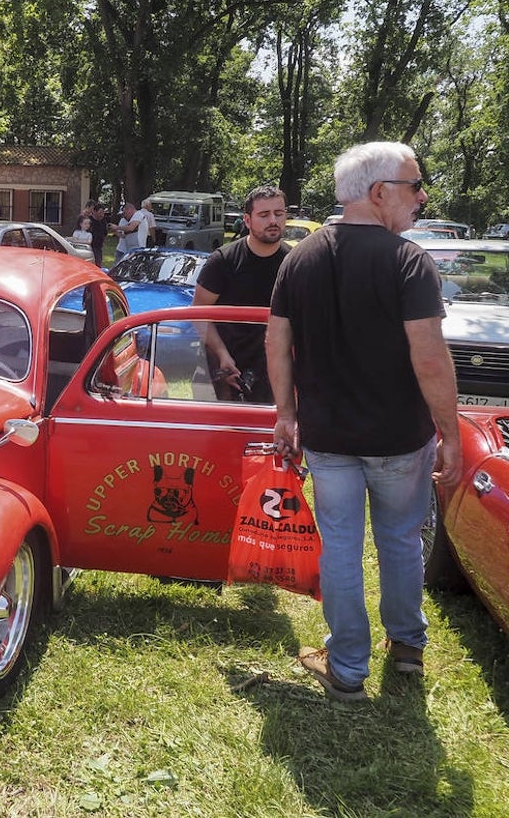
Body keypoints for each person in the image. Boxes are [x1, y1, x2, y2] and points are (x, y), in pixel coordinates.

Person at [266, 141, 461, 702]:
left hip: (328, 437)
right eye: (415, 185)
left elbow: (276, 341)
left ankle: (348, 669)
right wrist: (449, 431)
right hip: (400, 438)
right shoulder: (408, 261)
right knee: (400, 541)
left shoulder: (298, 258)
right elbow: (429, 354)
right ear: (379, 193)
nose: (422, 197)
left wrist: (286, 414)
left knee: (343, 546)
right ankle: (406, 650)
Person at [192, 185, 290, 402]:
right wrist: (221, 355)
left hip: (272, 374)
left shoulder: (294, 263)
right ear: (247, 220)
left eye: (279, 213)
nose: (273, 221)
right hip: (221, 372)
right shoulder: (223, 261)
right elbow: (198, 314)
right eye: (264, 215)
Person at [87, 203, 110, 268]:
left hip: (98, 247)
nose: (102, 215)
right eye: (100, 212)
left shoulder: (103, 221)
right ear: (94, 211)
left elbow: (105, 233)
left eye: (103, 212)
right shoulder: (88, 221)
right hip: (90, 246)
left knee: (98, 264)